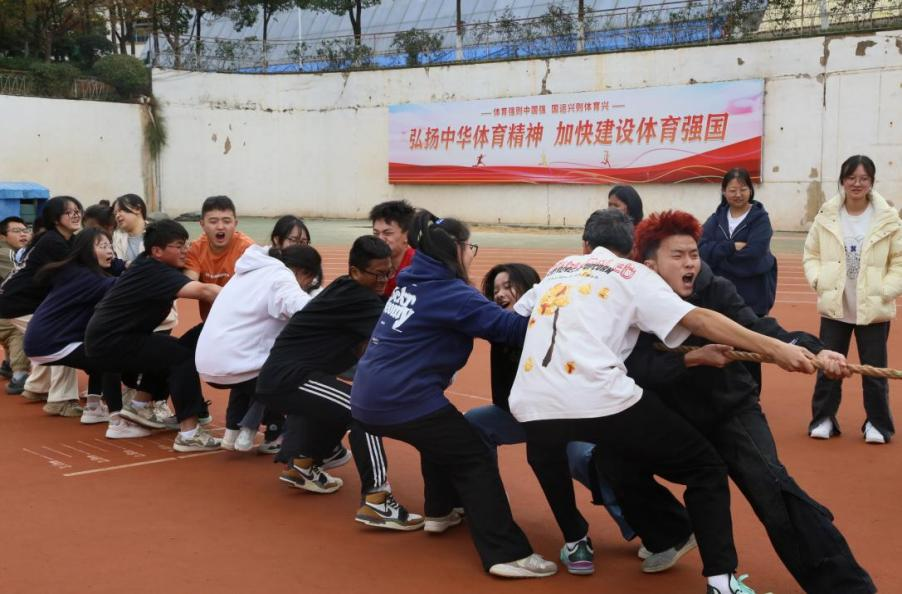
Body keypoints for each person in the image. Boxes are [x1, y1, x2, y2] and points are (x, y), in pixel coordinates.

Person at [508, 208, 816, 593]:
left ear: (586, 245)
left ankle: (580, 539)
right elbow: (699, 319)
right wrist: (776, 349)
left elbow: (512, 319)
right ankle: (722, 583)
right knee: (705, 467)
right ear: (636, 252)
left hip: (531, 402)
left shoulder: (560, 268)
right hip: (599, 396)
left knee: (595, 458)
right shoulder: (632, 274)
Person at [572, 210, 876, 593]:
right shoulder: (630, 301)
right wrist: (691, 359)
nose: (690, 264)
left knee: (773, 489)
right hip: (673, 418)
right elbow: (634, 366)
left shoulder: (714, 289)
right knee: (611, 459)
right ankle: (672, 532)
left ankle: (846, 586)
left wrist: (816, 351)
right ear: (650, 266)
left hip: (729, 410)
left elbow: (758, 327)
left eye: (694, 254)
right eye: (678, 256)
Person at [352, 212, 557, 578]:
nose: (471, 254)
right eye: (469, 246)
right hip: (400, 398)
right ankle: (506, 553)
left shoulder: (413, 280)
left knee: (442, 437)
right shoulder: (450, 293)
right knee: (473, 456)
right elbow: (511, 330)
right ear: (457, 250)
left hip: (371, 394)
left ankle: (440, 510)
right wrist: (552, 302)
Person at [464, 263, 636, 554]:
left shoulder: (554, 322)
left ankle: (637, 523)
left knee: (583, 459)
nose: (500, 294)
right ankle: (488, 501)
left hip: (566, 417)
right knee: (474, 424)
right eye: (495, 290)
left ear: (531, 288)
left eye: (508, 286)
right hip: (521, 415)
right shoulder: (500, 328)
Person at [255, 236, 420, 530]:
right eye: (378, 274)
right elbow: (396, 334)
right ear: (355, 271)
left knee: (338, 404)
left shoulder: (346, 287)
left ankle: (303, 465)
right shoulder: (359, 298)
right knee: (362, 412)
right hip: (289, 378)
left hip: (289, 376)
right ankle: (378, 500)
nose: (384, 280)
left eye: (388, 273)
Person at [84, 219, 222, 451]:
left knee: (174, 348)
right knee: (181, 357)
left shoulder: (147, 263)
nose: (185, 250)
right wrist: (248, 302)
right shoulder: (155, 271)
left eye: (186, 244)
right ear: (157, 251)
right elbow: (206, 291)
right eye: (179, 246)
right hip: (111, 344)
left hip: (114, 339)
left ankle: (139, 407)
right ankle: (189, 434)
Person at [804, 155, 902, 444]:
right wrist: (819, 280)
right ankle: (823, 419)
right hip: (836, 307)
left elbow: (898, 260)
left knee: (874, 370)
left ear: (872, 181)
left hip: (873, 307)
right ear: (842, 180)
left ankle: (877, 424)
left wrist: (885, 290)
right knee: (828, 367)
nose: (857, 184)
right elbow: (811, 254)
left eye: (864, 178)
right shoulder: (827, 215)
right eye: (851, 178)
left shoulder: (888, 218)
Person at [196, 244, 322, 453]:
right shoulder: (282, 277)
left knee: (255, 372)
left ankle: (233, 431)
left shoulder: (250, 270)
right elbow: (306, 310)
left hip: (208, 363)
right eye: (310, 280)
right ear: (303, 272)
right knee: (297, 373)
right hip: (237, 364)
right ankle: (276, 434)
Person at [22, 228, 138, 433]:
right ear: (86, 250)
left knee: (98, 348)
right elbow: (127, 285)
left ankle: (93, 407)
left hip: (42, 340)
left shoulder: (74, 270)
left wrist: (124, 265)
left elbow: (115, 272)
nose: (110, 251)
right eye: (102, 246)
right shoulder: (89, 279)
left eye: (110, 246)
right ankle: (118, 420)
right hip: (51, 342)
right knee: (110, 357)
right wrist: (150, 268)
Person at [0, 196, 83, 416]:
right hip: (19, 302)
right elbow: (80, 273)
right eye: (69, 211)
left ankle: (37, 387)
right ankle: (61, 400)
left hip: (23, 301)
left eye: (78, 210)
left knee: (48, 341)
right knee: (63, 341)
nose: (76, 215)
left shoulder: (67, 240)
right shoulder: (53, 242)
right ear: (55, 218)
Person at [111, 193, 178, 425]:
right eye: (115, 212)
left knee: (160, 359)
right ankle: (135, 397)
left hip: (159, 311)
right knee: (132, 360)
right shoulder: (116, 238)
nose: (118, 215)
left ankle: (159, 403)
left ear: (138, 208)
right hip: (129, 313)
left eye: (122, 210)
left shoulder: (158, 234)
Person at [699, 168, 778, 318]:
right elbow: (701, 249)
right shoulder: (716, 218)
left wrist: (718, 260)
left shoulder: (760, 219)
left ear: (750, 190)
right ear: (724, 192)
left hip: (753, 295)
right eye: (732, 190)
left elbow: (755, 252)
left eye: (743, 189)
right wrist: (731, 247)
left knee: (752, 330)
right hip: (721, 297)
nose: (738, 195)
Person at [184, 195, 255, 320]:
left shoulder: (248, 249)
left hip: (242, 320)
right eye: (213, 221)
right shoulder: (196, 248)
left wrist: (209, 292)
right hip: (210, 322)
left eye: (226, 221)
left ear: (235, 223)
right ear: (202, 224)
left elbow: (254, 290)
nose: (220, 226)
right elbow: (189, 282)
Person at [0, 216, 31, 392]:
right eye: (16, 231)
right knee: (21, 326)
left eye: (25, 230)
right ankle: (19, 375)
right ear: (3, 237)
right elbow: (19, 279)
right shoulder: (7, 254)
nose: (23, 234)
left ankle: (7, 364)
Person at [370, 200, 416, 297]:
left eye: (387, 233)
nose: (380, 239)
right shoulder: (370, 262)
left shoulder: (418, 267)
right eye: (376, 233)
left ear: (408, 235)